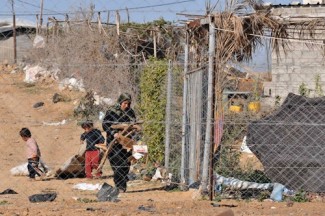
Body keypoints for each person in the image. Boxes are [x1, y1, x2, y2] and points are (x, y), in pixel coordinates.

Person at [102, 93, 136, 192]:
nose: (127, 106)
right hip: (114, 143)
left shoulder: (130, 112)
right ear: (120, 102)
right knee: (117, 163)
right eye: (125, 103)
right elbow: (105, 124)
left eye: (129, 104)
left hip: (126, 142)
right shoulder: (111, 112)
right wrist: (114, 133)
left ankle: (122, 183)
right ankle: (120, 186)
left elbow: (133, 124)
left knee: (126, 164)